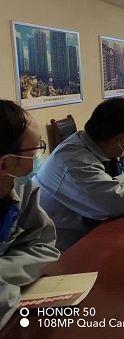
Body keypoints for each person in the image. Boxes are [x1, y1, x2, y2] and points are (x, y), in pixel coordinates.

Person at [37, 97, 124, 251]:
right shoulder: (73, 162)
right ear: (121, 139)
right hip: (66, 250)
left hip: (99, 232)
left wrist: (115, 183)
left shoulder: (114, 148)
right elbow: (120, 203)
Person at [0, 100, 59, 329]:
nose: (38, 156)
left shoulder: (22, 187)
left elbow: (44, 246)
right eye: (35, 150)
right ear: (5, 163)